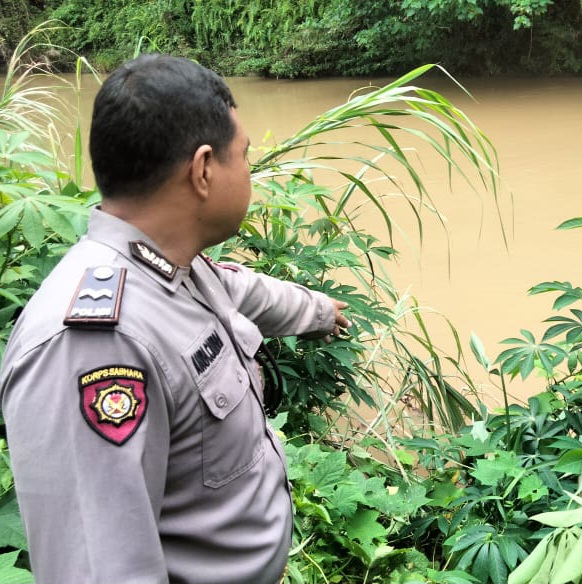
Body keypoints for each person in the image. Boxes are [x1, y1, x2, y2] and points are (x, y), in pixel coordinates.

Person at [0, 53, 350, 584]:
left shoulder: (171, 265)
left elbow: (242, 289)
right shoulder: (96, 344)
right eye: (245, 155)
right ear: (204, 169)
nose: (249, 170)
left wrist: (319, 311)